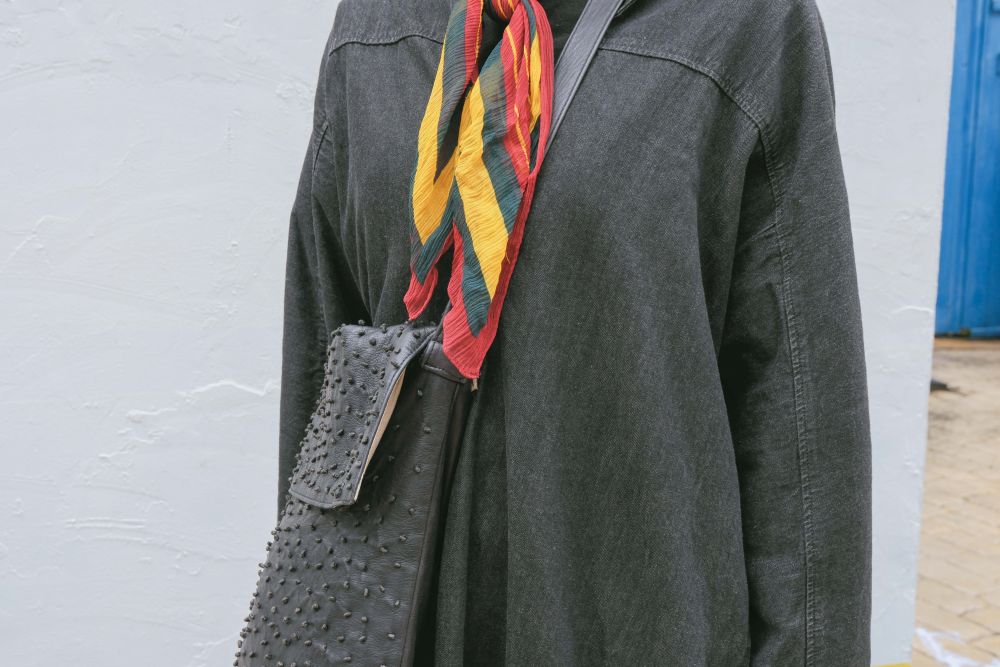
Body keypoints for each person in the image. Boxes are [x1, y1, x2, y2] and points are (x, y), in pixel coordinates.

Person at [275, 0, 872, 664]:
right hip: (394, 628)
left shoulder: (745, 25)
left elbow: (803, 438)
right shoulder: (375, 23)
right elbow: (322, 394)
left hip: (628, 624)